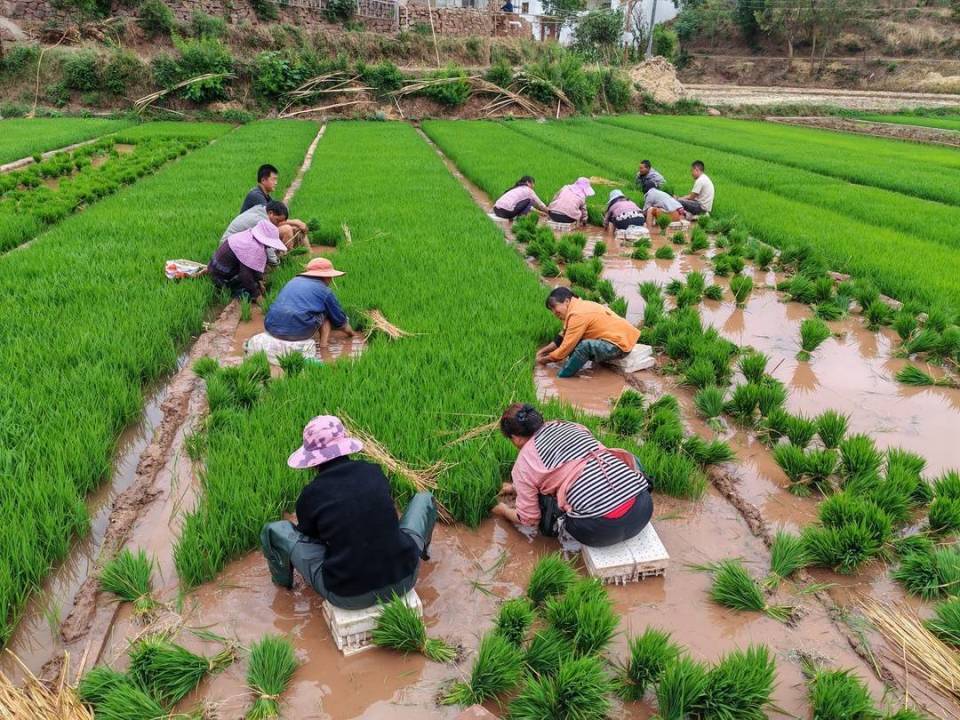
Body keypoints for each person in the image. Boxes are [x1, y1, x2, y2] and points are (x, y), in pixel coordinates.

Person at [260, 415, 437, 610]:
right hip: (406, 577)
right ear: (345, 446)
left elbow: (312, 540)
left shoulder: (310, 495)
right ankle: (425, 556)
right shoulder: (374, 472)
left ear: (313, 462)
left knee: (276, 530)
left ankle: (284, 587)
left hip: (347, 597)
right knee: (424, 499)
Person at [492, 404, 653, 547]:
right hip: (643, 507)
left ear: (516, 438)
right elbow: (569, 465)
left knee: (547, 497)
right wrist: (515, 487)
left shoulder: (524, 462)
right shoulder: (568, 425)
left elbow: (529, 520)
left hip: (599, 531)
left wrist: (503, 510)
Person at [536, 287, 640, 378]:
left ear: (567, 301)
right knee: (574, 344)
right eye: (551, 310)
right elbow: (562, 338)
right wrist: (542, 352)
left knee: (585, 346)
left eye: (554, 307)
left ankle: (562, 377)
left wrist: (543, 360)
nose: (554, 312)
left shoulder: (577, 314)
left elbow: (564, 349)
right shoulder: (577, 307)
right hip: (619, 337)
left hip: (619, 345)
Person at [265, 257, 358, 348]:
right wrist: (352, 334)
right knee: (327, 313)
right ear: (327, 277)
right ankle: (324, 346)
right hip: (297, 333)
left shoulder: (293, 281)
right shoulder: (324, 291)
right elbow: (341, 322)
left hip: (271, 327)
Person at [208, 219, 287, 302]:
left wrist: (259, 281)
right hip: (221, 276)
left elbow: (250, 266)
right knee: (245, 293)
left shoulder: (248, 235)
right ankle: (225, 289)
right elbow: (245, 275)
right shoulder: (253, 248)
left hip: (214, 267)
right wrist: (256, 295)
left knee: (253, 281)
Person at [220, 200, 310, 268]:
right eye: (277, 221)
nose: (277, 224)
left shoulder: (262, 211)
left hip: (232, 245)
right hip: (230, 250)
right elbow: (268, 247)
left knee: (291, 229)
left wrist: (295, 223)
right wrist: (276, 263)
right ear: (270, 213)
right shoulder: (260, 221)